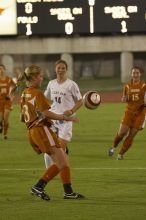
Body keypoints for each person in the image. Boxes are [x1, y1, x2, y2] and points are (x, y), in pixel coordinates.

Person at [20, 64, 84, 201]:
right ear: (34, 77)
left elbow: (22, 117)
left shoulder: (25, 92)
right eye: (40, 76)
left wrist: (37, 115)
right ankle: (38, 186)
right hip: (41, 130)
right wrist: (64, 117)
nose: (42, 79)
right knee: (62, 162)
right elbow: (46, 112)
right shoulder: (37, 93)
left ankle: (68, 191)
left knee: (64, 160)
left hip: (32, 131)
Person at [44, 59, 83, 168]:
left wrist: (71, 111)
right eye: (59, 68)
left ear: (66, 70)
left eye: (63, 68)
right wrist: (49, 108)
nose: (61, 70)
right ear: (55, 69)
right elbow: (45, 98)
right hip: (52, 119)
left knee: (59, 149)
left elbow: (80, 101)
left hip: (66, 121)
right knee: (49, 149)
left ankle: (63, 157)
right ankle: (48, 171)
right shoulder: (51, 83)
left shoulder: (71, 85)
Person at [108, 66, 146, 160]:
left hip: (141, 114)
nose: (135, 74)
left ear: (140, 74)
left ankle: (121, 154)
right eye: (133, 73)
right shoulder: (127, 86)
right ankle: (113, 147)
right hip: (129, 112)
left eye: (137, 73)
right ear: (131, 74)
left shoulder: (144, 86)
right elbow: (124, 98)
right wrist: (124, 99)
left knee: (131, 135)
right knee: (122, 133)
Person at [0, 64, 16, 139]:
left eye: (2, 69)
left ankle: (5, 134)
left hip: (7, 100)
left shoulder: (9, 79)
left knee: (5, 118)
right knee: (1, 118)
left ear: (4, 70)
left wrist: (11, 96)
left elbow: (14, 86)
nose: (1, 70)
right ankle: (1, 126)